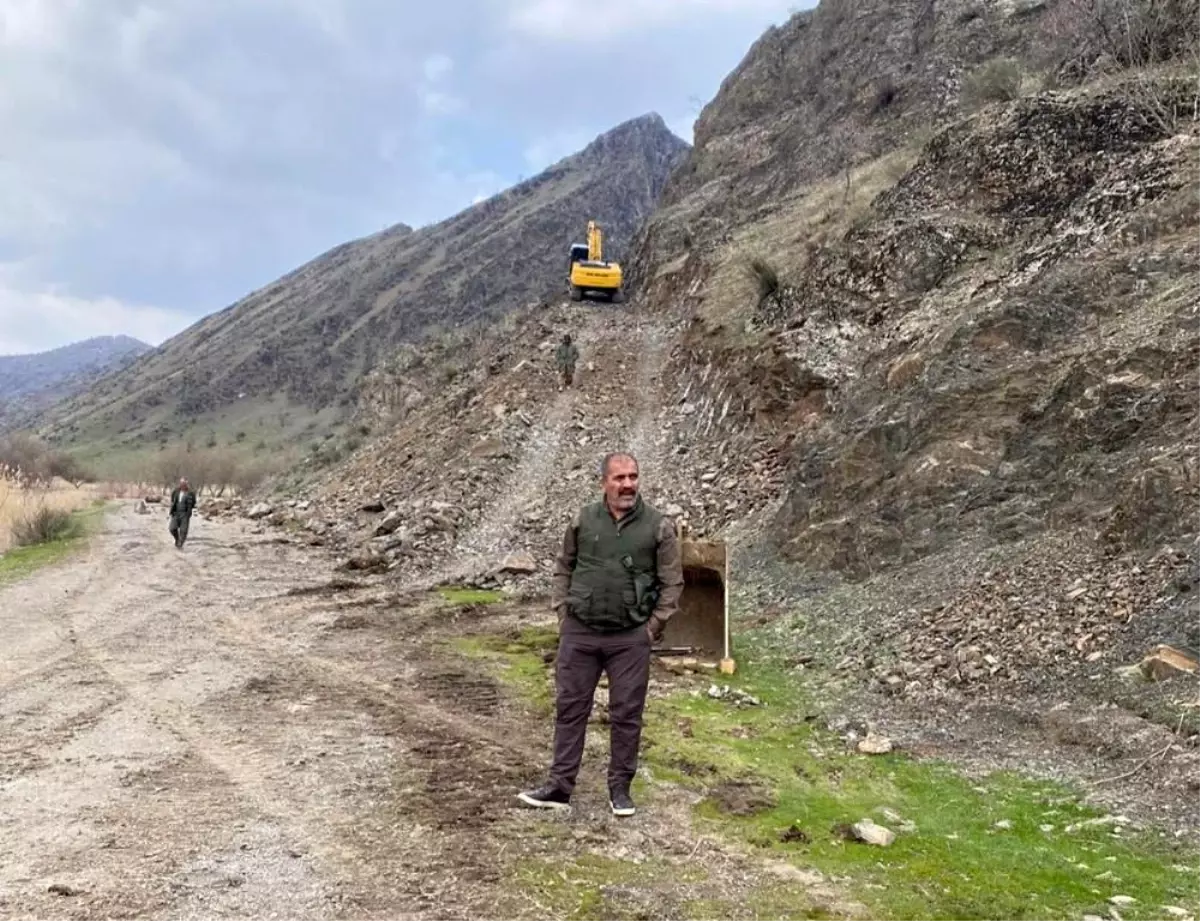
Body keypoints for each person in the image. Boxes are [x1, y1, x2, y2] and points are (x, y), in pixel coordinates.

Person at [518, 452, 683, 817]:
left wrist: (652, 627)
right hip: (580, 632)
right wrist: (562, 613)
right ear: (604, 483)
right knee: (570, 709)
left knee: (627, 714)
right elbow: (564, 566)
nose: (627, 484)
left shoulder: (658, 526)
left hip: (629, 639)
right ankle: (559, 787)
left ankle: (620, 790)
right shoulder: (582, 519)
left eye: (633, 477)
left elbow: (673, 582)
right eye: (619, 478)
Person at [168, 477, 197, 549]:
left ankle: (180, 544)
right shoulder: (176, 491)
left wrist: (188, 511)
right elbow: (172, 500)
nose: (182, 485)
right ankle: (177, 539)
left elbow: (193, 502)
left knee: (183, 531)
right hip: (176, 513)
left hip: (185, 513)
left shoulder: (191, 493)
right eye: (181, 483)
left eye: (184, 483)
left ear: (186, 484)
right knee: (172, 528)